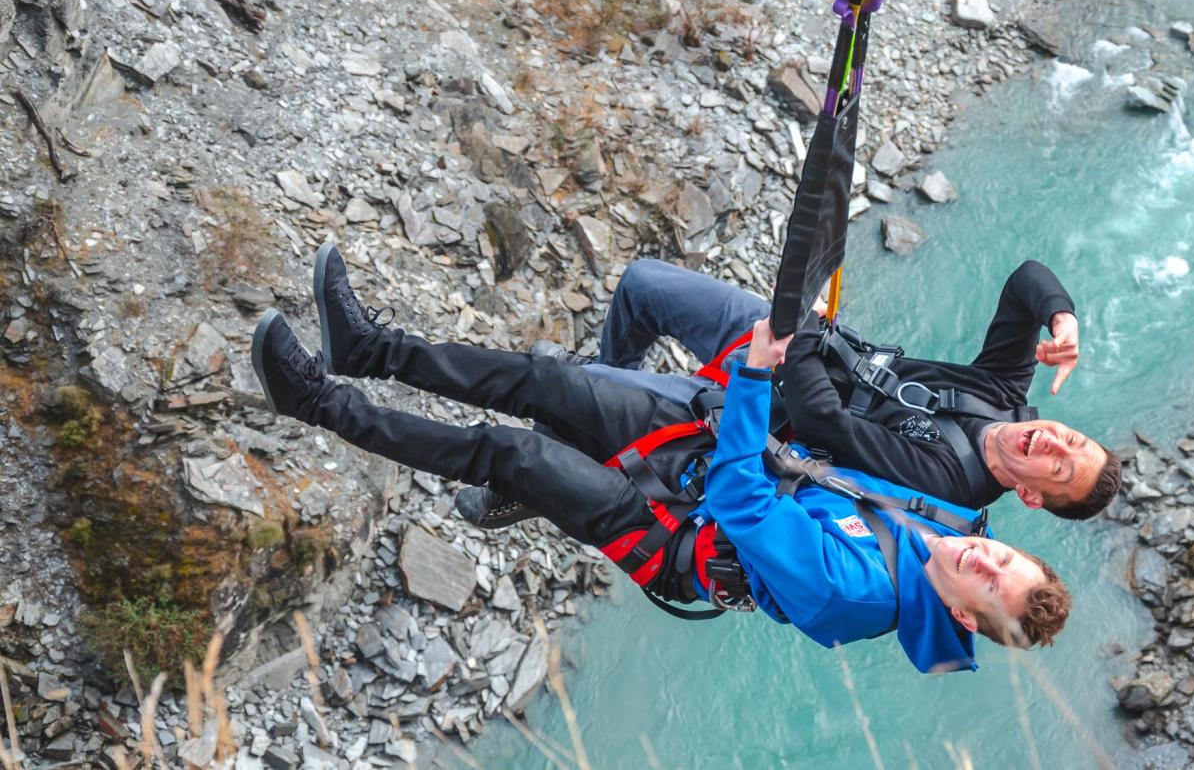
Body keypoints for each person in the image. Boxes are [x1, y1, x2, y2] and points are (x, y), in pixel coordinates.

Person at [249, 243, 1072, 671]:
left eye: (990, 582)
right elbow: (848, 448)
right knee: (545, 380)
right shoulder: (950, 517)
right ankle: (367, 347)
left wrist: (754, 375)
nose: (984, 558)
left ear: (966, 615)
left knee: (510, 453)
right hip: (716, 447)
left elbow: (748, 504)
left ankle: (318, 401)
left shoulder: (856, 593)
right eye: (1004, 556)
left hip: (673, 534)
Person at [524, 259, 1122, 521]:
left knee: (562, 381)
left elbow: (821, 422)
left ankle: (555, 449)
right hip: (805, 347)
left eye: (1059, 468)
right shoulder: (1001, 392)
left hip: (755, 410)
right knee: (643, 284)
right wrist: (1061, 318)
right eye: (1070, 439)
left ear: (1031, 496)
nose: (1052, 443)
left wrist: (802, 329)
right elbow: (1026, 281)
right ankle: (590, 410)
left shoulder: (951, 480)